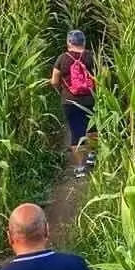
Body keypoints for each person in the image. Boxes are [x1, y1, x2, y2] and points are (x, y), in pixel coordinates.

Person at [51, 30, 97, 178]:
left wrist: (62, 91)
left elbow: (54, 81)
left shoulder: (62, 59)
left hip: (70, 102)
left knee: (76, 132)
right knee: (92, 128)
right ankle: (92, 156)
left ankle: (80, 168)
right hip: (91, 100)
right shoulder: (92, 56)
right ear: (84, 42)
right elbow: (102, 77)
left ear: (69, 42)